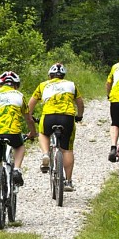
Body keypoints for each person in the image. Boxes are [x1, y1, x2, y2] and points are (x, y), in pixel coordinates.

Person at [0, 71, 38, 214]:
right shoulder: (19, 96)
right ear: (16, 86)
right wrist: (33, 133)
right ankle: (17, 169)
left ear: (0, 84)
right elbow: (28, 118)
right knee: (19, 146)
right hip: (12, 132)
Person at [28, 63, 84, 192]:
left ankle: (46, 154)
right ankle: (68, 182)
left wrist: (30, 116)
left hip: (48, 116)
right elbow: (80, 103)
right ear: (63, 76)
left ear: (50, 76)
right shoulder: (71, 85)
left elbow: (31, 103)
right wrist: (79, 116)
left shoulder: (43, 85)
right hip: (67, 117)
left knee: (43, 133)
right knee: (67, 150)